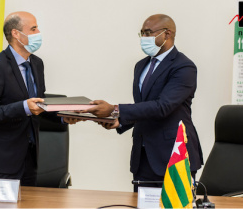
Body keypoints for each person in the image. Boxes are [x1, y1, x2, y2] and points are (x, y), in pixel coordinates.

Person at [86, 14, 203, 192]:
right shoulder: (141, 66)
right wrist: (118, 120)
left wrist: (116, 109)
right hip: (143, 157)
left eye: (148, 33)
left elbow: (163, 107)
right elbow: (145, 108)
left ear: (167, 34)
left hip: (174, 155)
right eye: (141, 34)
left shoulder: (184, 67)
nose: (144, 39)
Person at [0, 11, 75, 186]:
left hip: (29, 159)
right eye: (34, 28)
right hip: (1, 161)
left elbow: (39, 105)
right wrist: (23, 107)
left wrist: (63, 117)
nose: (39, 33)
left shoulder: (37, 64)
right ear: (16, 33)